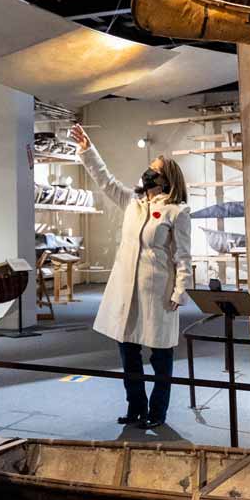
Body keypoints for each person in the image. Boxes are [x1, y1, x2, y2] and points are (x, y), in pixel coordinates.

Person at [70, 123, 192, 429]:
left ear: (166, 179)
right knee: (128, 352)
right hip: (127, 292)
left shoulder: (176, 211)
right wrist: (87, 149)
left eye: (154, 169)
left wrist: (179, 292)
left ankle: (158, 412)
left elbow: (183, 257)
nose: (148, 172)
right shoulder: (133, 204)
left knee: (161, 357)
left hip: (158, 294)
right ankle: (136, 407)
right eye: (149, 168)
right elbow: (106, 181)